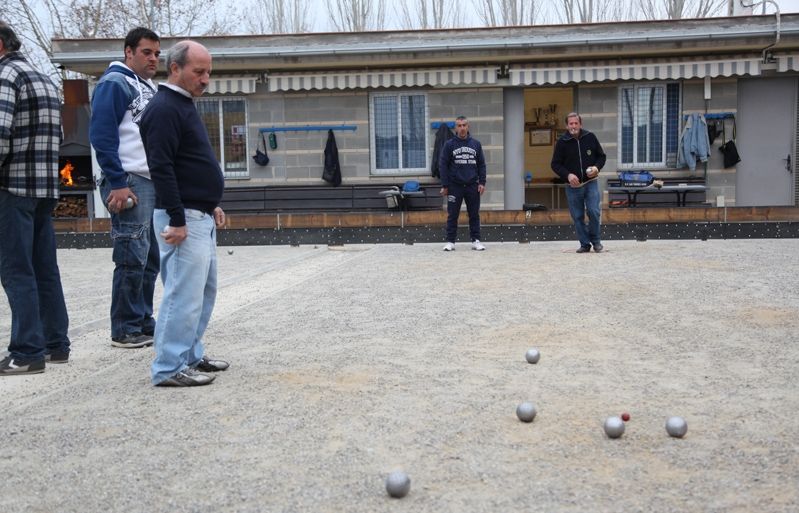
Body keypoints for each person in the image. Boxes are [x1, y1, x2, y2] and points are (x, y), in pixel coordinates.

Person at [139, 40, 229, 387]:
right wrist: (177, 218)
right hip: (183, 219)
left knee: (202, 293)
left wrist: (209, 202)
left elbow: (187, 163)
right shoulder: (164, 108)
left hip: (197, 213)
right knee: (183, 295)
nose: (205, 79)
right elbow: (161, 167)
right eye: (199, 71)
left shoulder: (182, 104)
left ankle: (189, 354)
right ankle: (168, 367)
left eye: (208, 72)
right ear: (175, 68)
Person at [0, 21, 70, 374]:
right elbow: (60, 134)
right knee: (45, 269)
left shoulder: (5, 76)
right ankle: (56, 344)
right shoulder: (43, 78)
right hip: (44, 190)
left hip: (12, 188)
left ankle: (27, 352)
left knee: (16, 270)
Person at [89, 27, 161, 348]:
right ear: (128, 52)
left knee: (149, 257)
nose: (153, 59)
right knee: (131, 254)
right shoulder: (115, 83)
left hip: (149, 181)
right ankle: (125, 328)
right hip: (129, 180)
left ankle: (142, 320)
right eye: (147, 52)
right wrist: (117, 182)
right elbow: (102, 135)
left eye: (157, 54)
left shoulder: (146, 86)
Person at [551, 112, 607, 253]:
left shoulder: (590, 137)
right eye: (571, 124)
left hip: (591, 183)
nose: (573, 126)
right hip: (573, 186)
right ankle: (585, 244)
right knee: (577, 216)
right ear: (567, 126)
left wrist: (596, 168)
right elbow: (555, 164)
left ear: (580, 124)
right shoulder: (562, 142)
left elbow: (601, 157)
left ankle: (596, 242)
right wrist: (568, 175)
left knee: (594, 212)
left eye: (576, 123)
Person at [438, 116, 487, 251]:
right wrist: (445, 185)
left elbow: (481, 164)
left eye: (464, 125)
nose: (462, 128)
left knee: (474, 214)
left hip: (472, 185)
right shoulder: (449, 145)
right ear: (456, 128)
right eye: (459, 126)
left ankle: (476, 240)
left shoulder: (476, 144)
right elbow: (443, 165)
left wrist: (482, 182)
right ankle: (450, 241)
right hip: (455, 186)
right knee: (452, 215)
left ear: (468, 126)